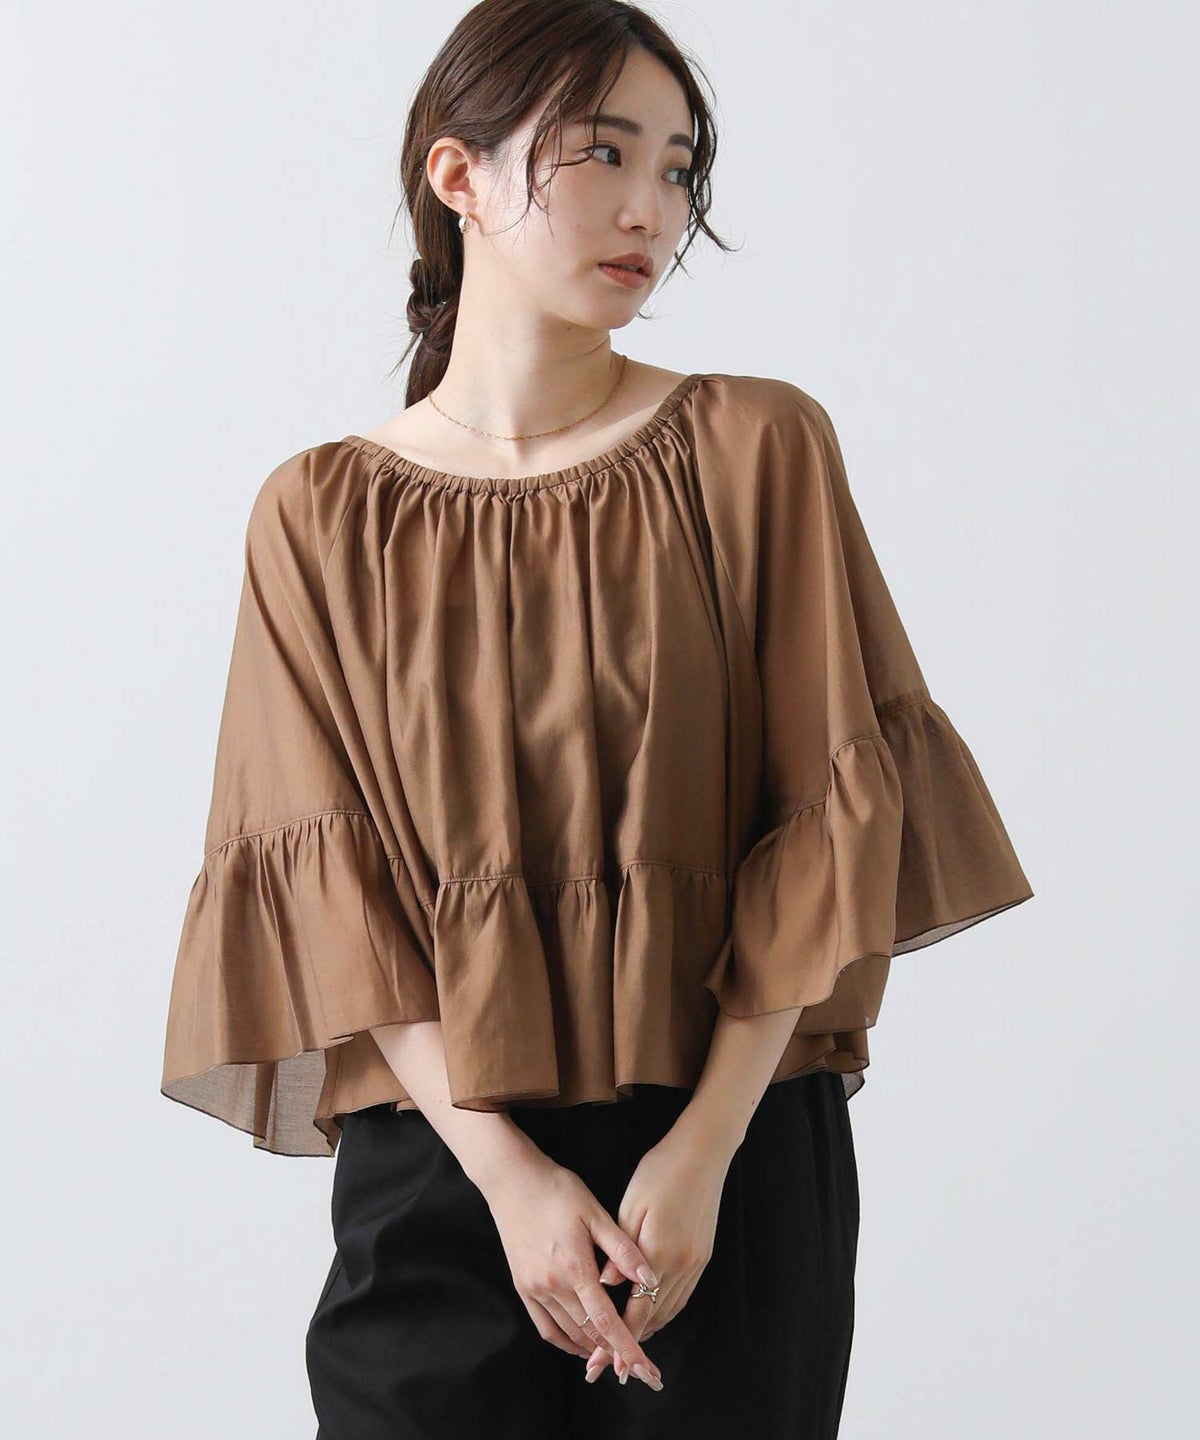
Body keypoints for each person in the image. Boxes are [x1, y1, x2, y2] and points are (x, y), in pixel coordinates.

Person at [159, 2, 1034, 1436]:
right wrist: (507, 1178)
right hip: (444, 1168)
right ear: (458, 176)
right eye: (604, 153)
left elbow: (826, 819)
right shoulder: (318, 516)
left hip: (724, 1156)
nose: (652, 210)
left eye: (679, 169)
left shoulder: (756, 447)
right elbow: (324, 894)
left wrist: (702, 1153)